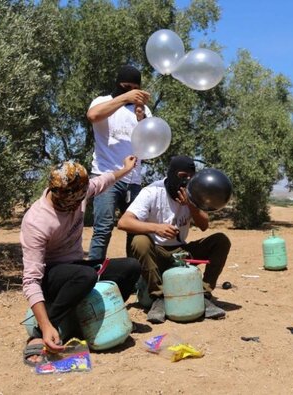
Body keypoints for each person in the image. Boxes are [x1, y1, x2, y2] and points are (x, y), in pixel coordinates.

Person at [20, 156, 141, 366]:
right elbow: (31, 280)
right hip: (52, 276)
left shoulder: (81, 191)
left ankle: (95, 317)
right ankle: (42, 332)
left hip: (77, 268)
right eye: (73, 203)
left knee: (131, 267)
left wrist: (125, 169)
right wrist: (46, 325)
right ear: (59, 195)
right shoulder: (36, 221)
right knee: (86, 275)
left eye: (80, 200)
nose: (78, 205)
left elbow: (103, 181)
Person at [117, 155, 231, 324]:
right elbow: (123, 222)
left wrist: (190, 205)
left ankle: (204, 295)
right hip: (155, 253)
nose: (186, 181)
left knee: (221, 240)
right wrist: (156, 228)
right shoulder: (152, 192)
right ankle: (158, 298)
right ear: (171, 173)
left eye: (190, 177)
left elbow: (204, 225)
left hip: (181, 253)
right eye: (182, 176)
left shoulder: (193, 193)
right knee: (139, 240)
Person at [87, 65, 152, 261]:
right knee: (103, 228)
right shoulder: (103, 101)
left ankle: (132, 277)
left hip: (133, 179)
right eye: (126, 87)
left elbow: (149, 143)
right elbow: (93, 116)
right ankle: (93, 275)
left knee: (135, 231)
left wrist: (141, 118)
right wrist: (125, 98)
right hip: (106, 175)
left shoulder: (144, 109)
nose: (131, 91)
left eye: (135, 88)